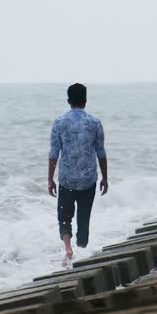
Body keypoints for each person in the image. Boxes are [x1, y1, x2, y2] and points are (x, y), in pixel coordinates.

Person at [47, 83, 108, 264]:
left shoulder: (59, 123)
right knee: (83, 218)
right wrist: (105, 177)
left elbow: (53, 154)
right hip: (88, 180)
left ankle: (68, 249)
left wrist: (50, 180)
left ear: (68, 101)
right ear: (85, 101)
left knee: (64, 217)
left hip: (66, 180)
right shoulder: (95, 123)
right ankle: (82, 245)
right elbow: (101, 153)